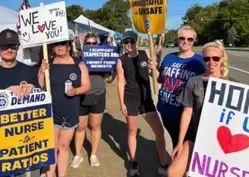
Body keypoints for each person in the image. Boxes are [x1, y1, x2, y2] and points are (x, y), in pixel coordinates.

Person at [167, 40, 229, 177]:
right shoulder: (194, 82)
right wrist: (180, 142)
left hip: (220, 142)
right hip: (195, 137)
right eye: (207, 58)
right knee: (172, 172)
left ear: (222, 59)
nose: (211, 62)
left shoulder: (230, 86)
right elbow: (187, 112)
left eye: (215, 58)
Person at [116, 31, 168, 176]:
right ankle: (134, 162)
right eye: (126, 42)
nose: (129, 45)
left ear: (136, 41)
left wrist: (154, 67)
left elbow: (154, 75)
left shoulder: (145, 54)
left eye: (131, 41)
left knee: (159, 131)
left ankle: (163, 163)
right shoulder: (121, 60)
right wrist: (122, 103)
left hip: (146, 99)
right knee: (132, 131)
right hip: (130, 99)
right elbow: (120, 83)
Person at [38, 39, 90, 177]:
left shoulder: (78, 64)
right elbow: (40, 85)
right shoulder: (48, 63)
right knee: (52, 148)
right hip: (52, 112)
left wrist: (76, 91)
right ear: (52, 47)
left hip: (70, 113)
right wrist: (42, 71)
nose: (59, 47)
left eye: (62, 44)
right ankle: (50, 174)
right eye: (56, 45)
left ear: (68, 46)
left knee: (64, 146)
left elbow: (86, 85)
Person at [70, 31, 116, 168]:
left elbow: (108, 80)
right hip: (81, 96)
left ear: (98, 44)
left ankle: (93, 154)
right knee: (80, 127)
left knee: (95, 126)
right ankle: (78, 155)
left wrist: (114, 70)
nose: (91, 45)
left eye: (94, 43)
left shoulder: (103, 59)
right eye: (88, 43)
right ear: (84, 45)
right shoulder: (78, 59)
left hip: (98, 94)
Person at [157, 26, 206, 149]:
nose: (186, 41)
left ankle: (178, 167)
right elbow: (160, 79)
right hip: (165, 110)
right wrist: (152, 69)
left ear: (194, 41)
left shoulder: (199, 62)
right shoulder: (169, 58)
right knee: (175, 142)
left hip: (185, 114)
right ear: (177, 39)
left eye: (190, 39)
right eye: (182, 38)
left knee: (184, 147)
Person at [0, 29, 39, 177]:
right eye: (4, 46)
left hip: (27, 138)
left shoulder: (29, 71)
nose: (9, 49)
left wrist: (34, 89)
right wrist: (5, 93)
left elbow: (41, 102)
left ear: (17, 48)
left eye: (12, 46)